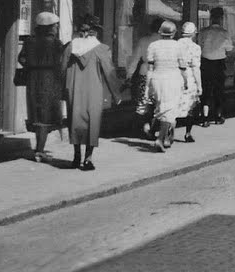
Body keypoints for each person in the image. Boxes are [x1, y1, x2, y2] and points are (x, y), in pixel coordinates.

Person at [62, 15, 118, 171]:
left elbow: (61, 69)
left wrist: (62, 89)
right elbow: (110, 73)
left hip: (74, 88)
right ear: (95, 32)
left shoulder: (70, 47)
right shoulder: (101, 49)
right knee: (92, 122)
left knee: (75, 121)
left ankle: (76, 157)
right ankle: (88, 159)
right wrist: (116, 94)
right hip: (94, 89)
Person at [19, 12, 65, 162]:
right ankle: (39, 150)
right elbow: (62, 63)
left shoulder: (29, 41)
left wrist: (32, 66)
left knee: (37, 114)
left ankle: (39, 148)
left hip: (33, 80)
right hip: (50, 80)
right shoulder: (56, 43)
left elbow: (22, 58)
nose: (57, 27)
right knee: (46, 116)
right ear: (49, 27)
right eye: (55, 25)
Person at [143, 20, 186, 152]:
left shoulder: (153, 46)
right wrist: (186, 82)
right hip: (173, 78)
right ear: (173, 33)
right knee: (170, 109)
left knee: (161, 107)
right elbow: (183, 67)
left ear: (160, 32)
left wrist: (148, 85)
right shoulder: (178, 46)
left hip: (157, 78)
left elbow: (150, 67)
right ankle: (161, 138)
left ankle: (160, 133)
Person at [197, 7, 234, 126]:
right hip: (219, 63)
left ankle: (205, 117)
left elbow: (199, 46)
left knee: (206, 90)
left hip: (206, 63)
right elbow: (229, 48)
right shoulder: (224, 33)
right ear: (221, 18)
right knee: (219, 90)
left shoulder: (203, 31)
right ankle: (218, 116)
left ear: (211, 17)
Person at [127, 17, 163, 138]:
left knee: (143, 101)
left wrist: (129, 75)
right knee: (158, 101)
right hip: (161, 73)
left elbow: (134, 59)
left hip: (145, 72)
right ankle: (153, 128)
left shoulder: (143, 40)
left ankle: (142, 127)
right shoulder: (165, 42)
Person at [175, 22, 202, 143]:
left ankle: (170, 132)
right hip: (190, 78)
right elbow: (196, 68)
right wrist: (199, 85)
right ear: (193, 34)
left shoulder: (175, 45)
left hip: (175, 77)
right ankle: (187, 133)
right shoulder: (195, 48)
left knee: (174, 106)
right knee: (190, 107)